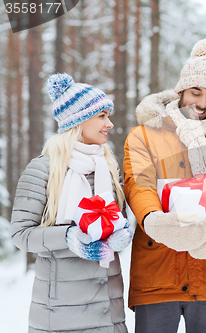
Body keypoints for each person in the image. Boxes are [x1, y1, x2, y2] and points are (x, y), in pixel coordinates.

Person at [123, 39, 206, 333]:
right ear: (180, 91)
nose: (203, 103)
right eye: (196, 92)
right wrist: (156, 222)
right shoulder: (143, 136)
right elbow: (138, 185)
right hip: (159, 270)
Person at [10, 73, 132, 333]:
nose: (109, 124)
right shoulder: (43, 169)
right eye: (101, 116)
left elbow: (116, 218)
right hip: (60, 315)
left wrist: (123, 234)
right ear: (79, 120)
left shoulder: (108, 167)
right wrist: (68, 236)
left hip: (108, 312)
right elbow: (20, 234)